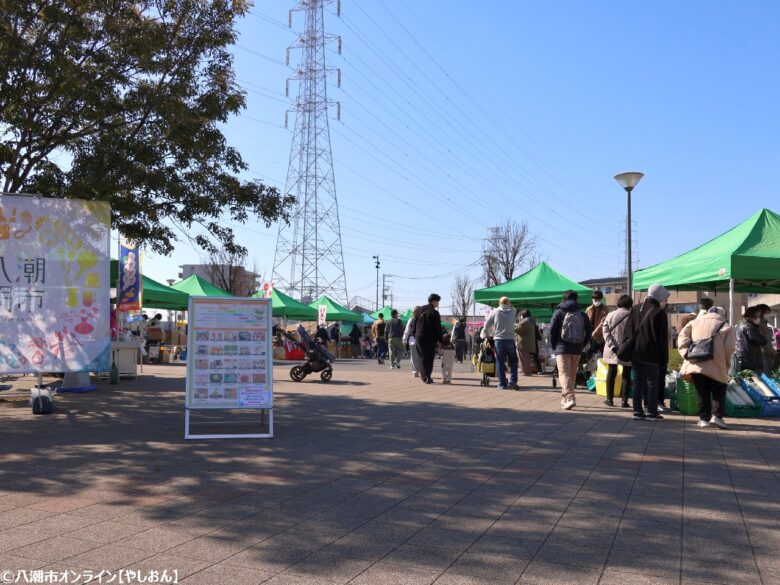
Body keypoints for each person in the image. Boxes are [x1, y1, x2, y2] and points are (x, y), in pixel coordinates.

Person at [678, 306, 736, 429]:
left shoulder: (694, 322)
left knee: (702, 391)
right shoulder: (726, 326)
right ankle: (716, 416)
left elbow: (682, 337)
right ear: (723, 314)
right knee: (719, 388)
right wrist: (726, 363)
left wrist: (685, 353)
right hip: (716, 362)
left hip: (696, 362)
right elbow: (730, 347)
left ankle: (704, 419)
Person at [627, 284, 670, 421]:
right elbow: (662, 339)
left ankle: (637, 411)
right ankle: (651, 411)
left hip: (636, 352)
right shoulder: (659, 312)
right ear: (660, 297)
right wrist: (664, 359)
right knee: (652, 382)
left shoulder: (634, 309)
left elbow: (628, 331)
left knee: (637, 382)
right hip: (652, 353)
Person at [550, 291, 592, 409]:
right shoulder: (582, 314)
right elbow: (589, 331)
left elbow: (552, 331)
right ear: (576, 300)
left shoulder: (558, 312)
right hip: (577, 348)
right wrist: (583, 344)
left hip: (562, 348)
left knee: (564, 373)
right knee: (571, 375)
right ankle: (564, 399)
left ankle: (569, 397)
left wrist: (554, 345)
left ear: (563, 299)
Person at [602, 294, 634, 408]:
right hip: (627, 349)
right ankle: (624, 401)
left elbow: (605, 332)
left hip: (612, 349)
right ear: (630, 304)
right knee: (626, 375)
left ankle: (609, 399)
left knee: (611, 372)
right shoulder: (632, 316)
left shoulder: (610, 315)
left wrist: (613, 347)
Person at [482, 297, 519, 390]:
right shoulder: (513, 311)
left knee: (500, 361)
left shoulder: (494, 312)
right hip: (510, 339)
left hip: (498, 339)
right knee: (513, 361)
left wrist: (487, 336)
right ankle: (513, 381)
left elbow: (486, 326)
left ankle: (502, 384)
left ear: (499, 303)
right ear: (509, 303)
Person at [414, 294, 444, 384]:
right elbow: (438, 328)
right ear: (433, 301)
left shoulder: (420, 310)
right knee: (429, 358)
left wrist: (414, 333)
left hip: (419, 337)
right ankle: (427, 377)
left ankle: (424, 377)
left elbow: (414, 322)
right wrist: (441, 340)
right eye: (437, 301)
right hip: (429, 338)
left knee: (422, 357)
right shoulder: (434, 312)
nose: (438, 303)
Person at [734, 306, 767, 374]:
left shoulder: (741, 324)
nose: (758, 319)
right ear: (750, 316)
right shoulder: (749, 326)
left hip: (742, 356)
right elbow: (760, 340)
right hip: (749, 358)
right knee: (750, 378)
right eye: (756, 317)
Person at [514, 309, 537, 377]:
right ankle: (525, 372)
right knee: (526, 358)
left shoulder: (525, 322)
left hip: (523, 343)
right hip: (528, 343)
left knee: (524, 359)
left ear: (523, 315)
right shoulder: (531, 321)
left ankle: (526, 372)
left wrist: (514, 325)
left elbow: (517, 330)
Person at [586, 290, 609, 358]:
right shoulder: (588, 309)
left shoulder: (605, 309)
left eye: (598, 299)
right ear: (592, 299)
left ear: (601, 299)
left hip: (601, 337)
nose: (596, 301)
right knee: (589, 356)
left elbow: (603, 323)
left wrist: (594, 333)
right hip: (590, 337)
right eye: (595, 299)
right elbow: (586, 322)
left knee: (604, 356)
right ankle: (588, 368)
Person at [756, 304, 777, 374]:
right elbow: (763, 339)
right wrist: (770, 350)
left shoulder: (762, 321)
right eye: (766, 312)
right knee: (765, 371)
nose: (767, 314)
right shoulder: (759, 322)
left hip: (765, 349)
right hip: (763, 351)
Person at [403, 306, 423, 377]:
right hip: (422, 340)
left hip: (412, 340)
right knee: (421, 356)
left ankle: (415, 372)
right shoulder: (424, 319)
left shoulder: (411, 319)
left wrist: (404, 340)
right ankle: (422, 371)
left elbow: (407, 331)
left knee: (414, 357)